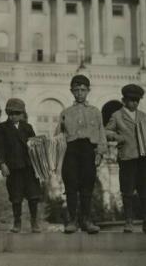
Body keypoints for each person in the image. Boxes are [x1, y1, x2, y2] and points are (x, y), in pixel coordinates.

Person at [105, 84, 146, 234]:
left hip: (144, 157)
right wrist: (117, 137)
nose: (135, 103)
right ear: (124, 100)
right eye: (131, 100)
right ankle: (129, 221)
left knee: (145, 190)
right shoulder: (117, 116)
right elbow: (106, 131)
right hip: (127, 157)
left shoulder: (143, 116)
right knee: (127, 190)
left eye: (137, 100)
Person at [57, 74, 107, 234]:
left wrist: (99, 153)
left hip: (88, 150)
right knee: (70, 186)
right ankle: (72, 221)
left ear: (88, 91)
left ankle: (86, 220)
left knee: (87, 186)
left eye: (83, 90)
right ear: (71, 91)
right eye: (76, 90)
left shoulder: (95, 112)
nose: (79, 93)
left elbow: (101, 134)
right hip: (71, 151)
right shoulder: (65, 112)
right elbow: (58, 136)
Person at [0, 98, 42, 233]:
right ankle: (17, 222)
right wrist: (2, 164)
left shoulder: (27, 127)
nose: (14, 116)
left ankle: (34, 221)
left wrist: (39, 163)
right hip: (13, 168)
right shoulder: (1, 128)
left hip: (29, 167)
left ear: (22, 114)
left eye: (17, 113)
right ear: (7, 113)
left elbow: (34, 146)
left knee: (33, 195)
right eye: (11, 113)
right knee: (16, 196)